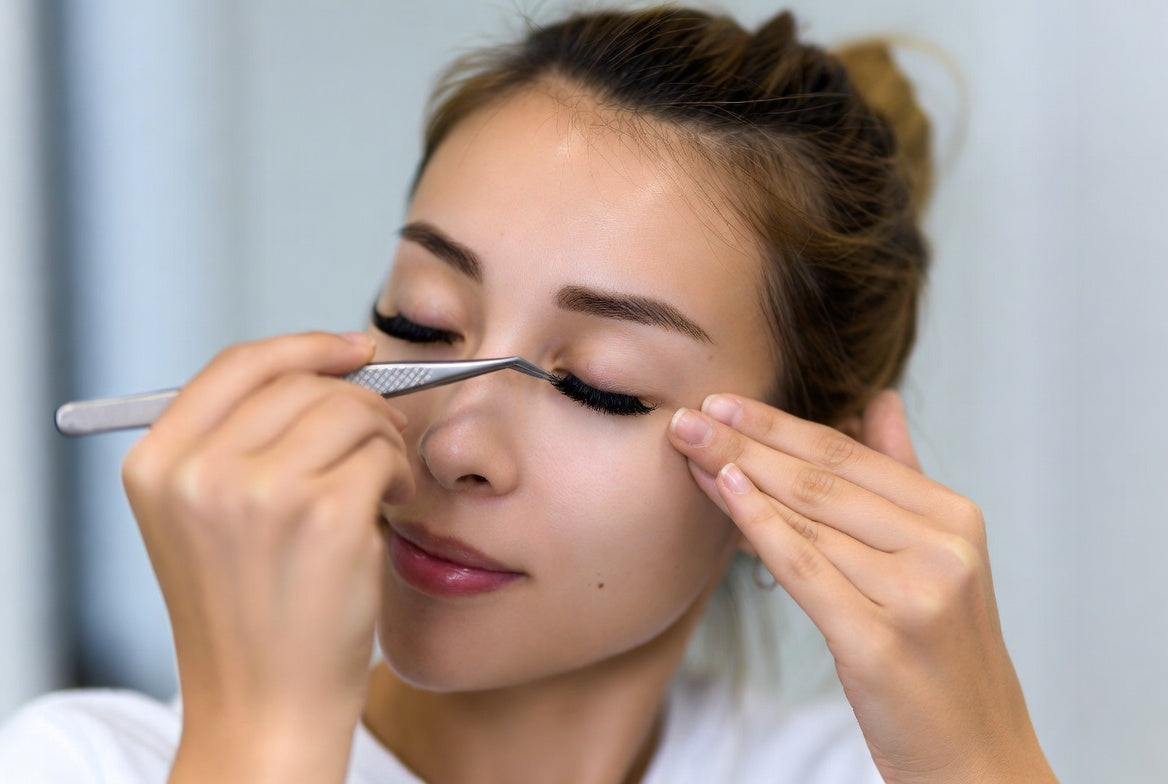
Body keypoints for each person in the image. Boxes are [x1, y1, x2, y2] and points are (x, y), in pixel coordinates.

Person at [0, 5, 1057, 783]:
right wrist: (267, 735)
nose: (451, 440)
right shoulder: (91, 762)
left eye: (596, 385)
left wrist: (980, 751)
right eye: (418, 320)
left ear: (799, 466)